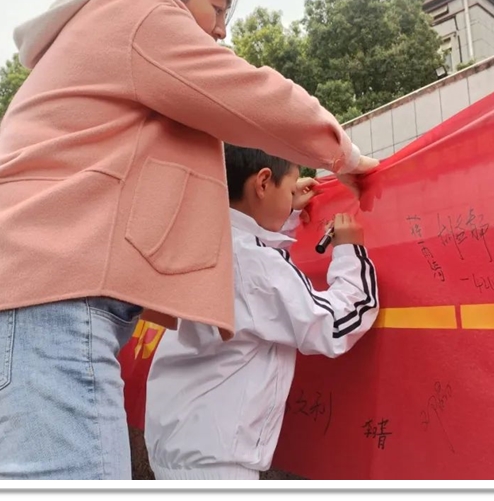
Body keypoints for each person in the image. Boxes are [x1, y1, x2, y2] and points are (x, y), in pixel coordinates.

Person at [0, 0, 378, 480]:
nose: (221, 30)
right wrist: (347, 157)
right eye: (218, 7)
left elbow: (160, 192)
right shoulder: (139, 14)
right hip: (44, 318)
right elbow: (253, 98)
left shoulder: (79, 49)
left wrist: (290, 203)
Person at [144, 145, 379, 479]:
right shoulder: (255, 263)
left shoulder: (206, 240)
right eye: (289, 187)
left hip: (179, 445)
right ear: (263, 183)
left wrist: (287, 212)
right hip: (218, 465)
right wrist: (351, 252)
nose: (293, 195)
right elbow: (333, 325)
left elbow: (260, 291)